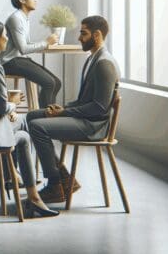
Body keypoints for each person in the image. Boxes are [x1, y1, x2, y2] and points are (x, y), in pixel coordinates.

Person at [0, 20, 59, 218]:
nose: (7, 38)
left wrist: (9, 109)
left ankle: (13, 176)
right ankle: (32, 194)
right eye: (4, 35)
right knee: (24, 134)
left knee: (21, 123)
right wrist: (13, 103)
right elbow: (0, 108)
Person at [27, 16, 120, 203]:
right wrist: (64, 107)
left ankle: (55, 184)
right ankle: (65, 178)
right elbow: (84, 100)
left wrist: (64, 113)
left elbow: (99, 108)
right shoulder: (92, 59)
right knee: (32, 115)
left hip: (93, 126)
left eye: (83, 33)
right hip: (85, 118)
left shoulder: (104, 64)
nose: (79, 38)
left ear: (97, 34)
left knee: (38, 127)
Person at [0, 0, 61, 108]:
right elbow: (23, 49)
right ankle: (44, 119)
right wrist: (46, 42)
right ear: (22, 0)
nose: (35, 0)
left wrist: (46, 42)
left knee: (56, 83)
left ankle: (48, 116)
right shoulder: (16, 18)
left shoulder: (24, 18)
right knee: (49, 83)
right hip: (10, 62)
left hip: (20, 60)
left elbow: (24, 46)